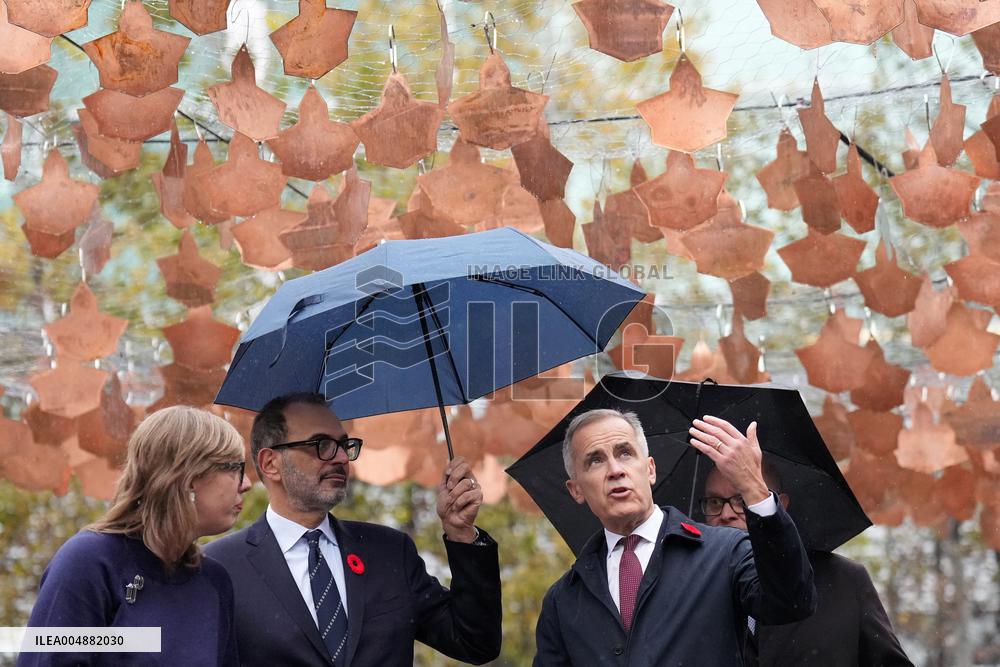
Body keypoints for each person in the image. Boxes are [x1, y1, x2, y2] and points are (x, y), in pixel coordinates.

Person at [204, 392, 502, 666]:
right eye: (321, 445)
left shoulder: (389, 552)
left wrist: (461, 533)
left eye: (345, 445)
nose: (341, 458)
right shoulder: (219, 568)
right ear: (271, 463)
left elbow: (475, 643)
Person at [534, 409, 816, 666]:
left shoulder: (725, 553)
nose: (615, 470)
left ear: (650, 469)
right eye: (595, 460)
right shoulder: (563, 600)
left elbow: (791, 602)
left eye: (625, 453)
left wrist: (755, 489)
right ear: (576, 490)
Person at [20, 406, 251, 666]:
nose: (246, 484)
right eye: (235, 469)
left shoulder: (214, 582)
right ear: (190, 478)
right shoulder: (89, 562)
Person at [701, 462, 913, 666]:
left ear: (780, 504)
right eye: (715, 502)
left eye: (742, 499)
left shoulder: (843, 581)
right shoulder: (694, 587)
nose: (726, 514)